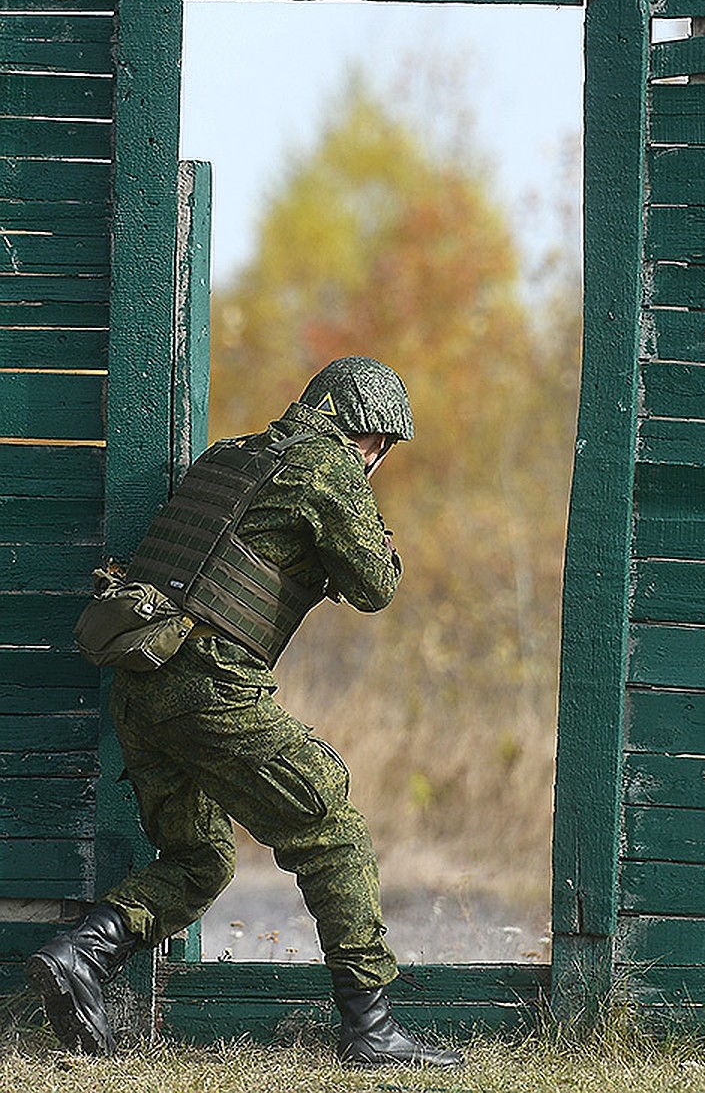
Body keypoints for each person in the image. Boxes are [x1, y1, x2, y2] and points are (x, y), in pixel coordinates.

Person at [25, 357, 463, 1069]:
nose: (379, 457)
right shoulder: (329, 465)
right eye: (382, 445)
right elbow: (376, 586)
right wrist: (381, 542)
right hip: (210, 687)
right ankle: (372, 1030)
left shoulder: (232, 455)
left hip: (142, 685)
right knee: (331, 828)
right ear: (370, 433)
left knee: (201, 859)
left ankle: (82, 954)